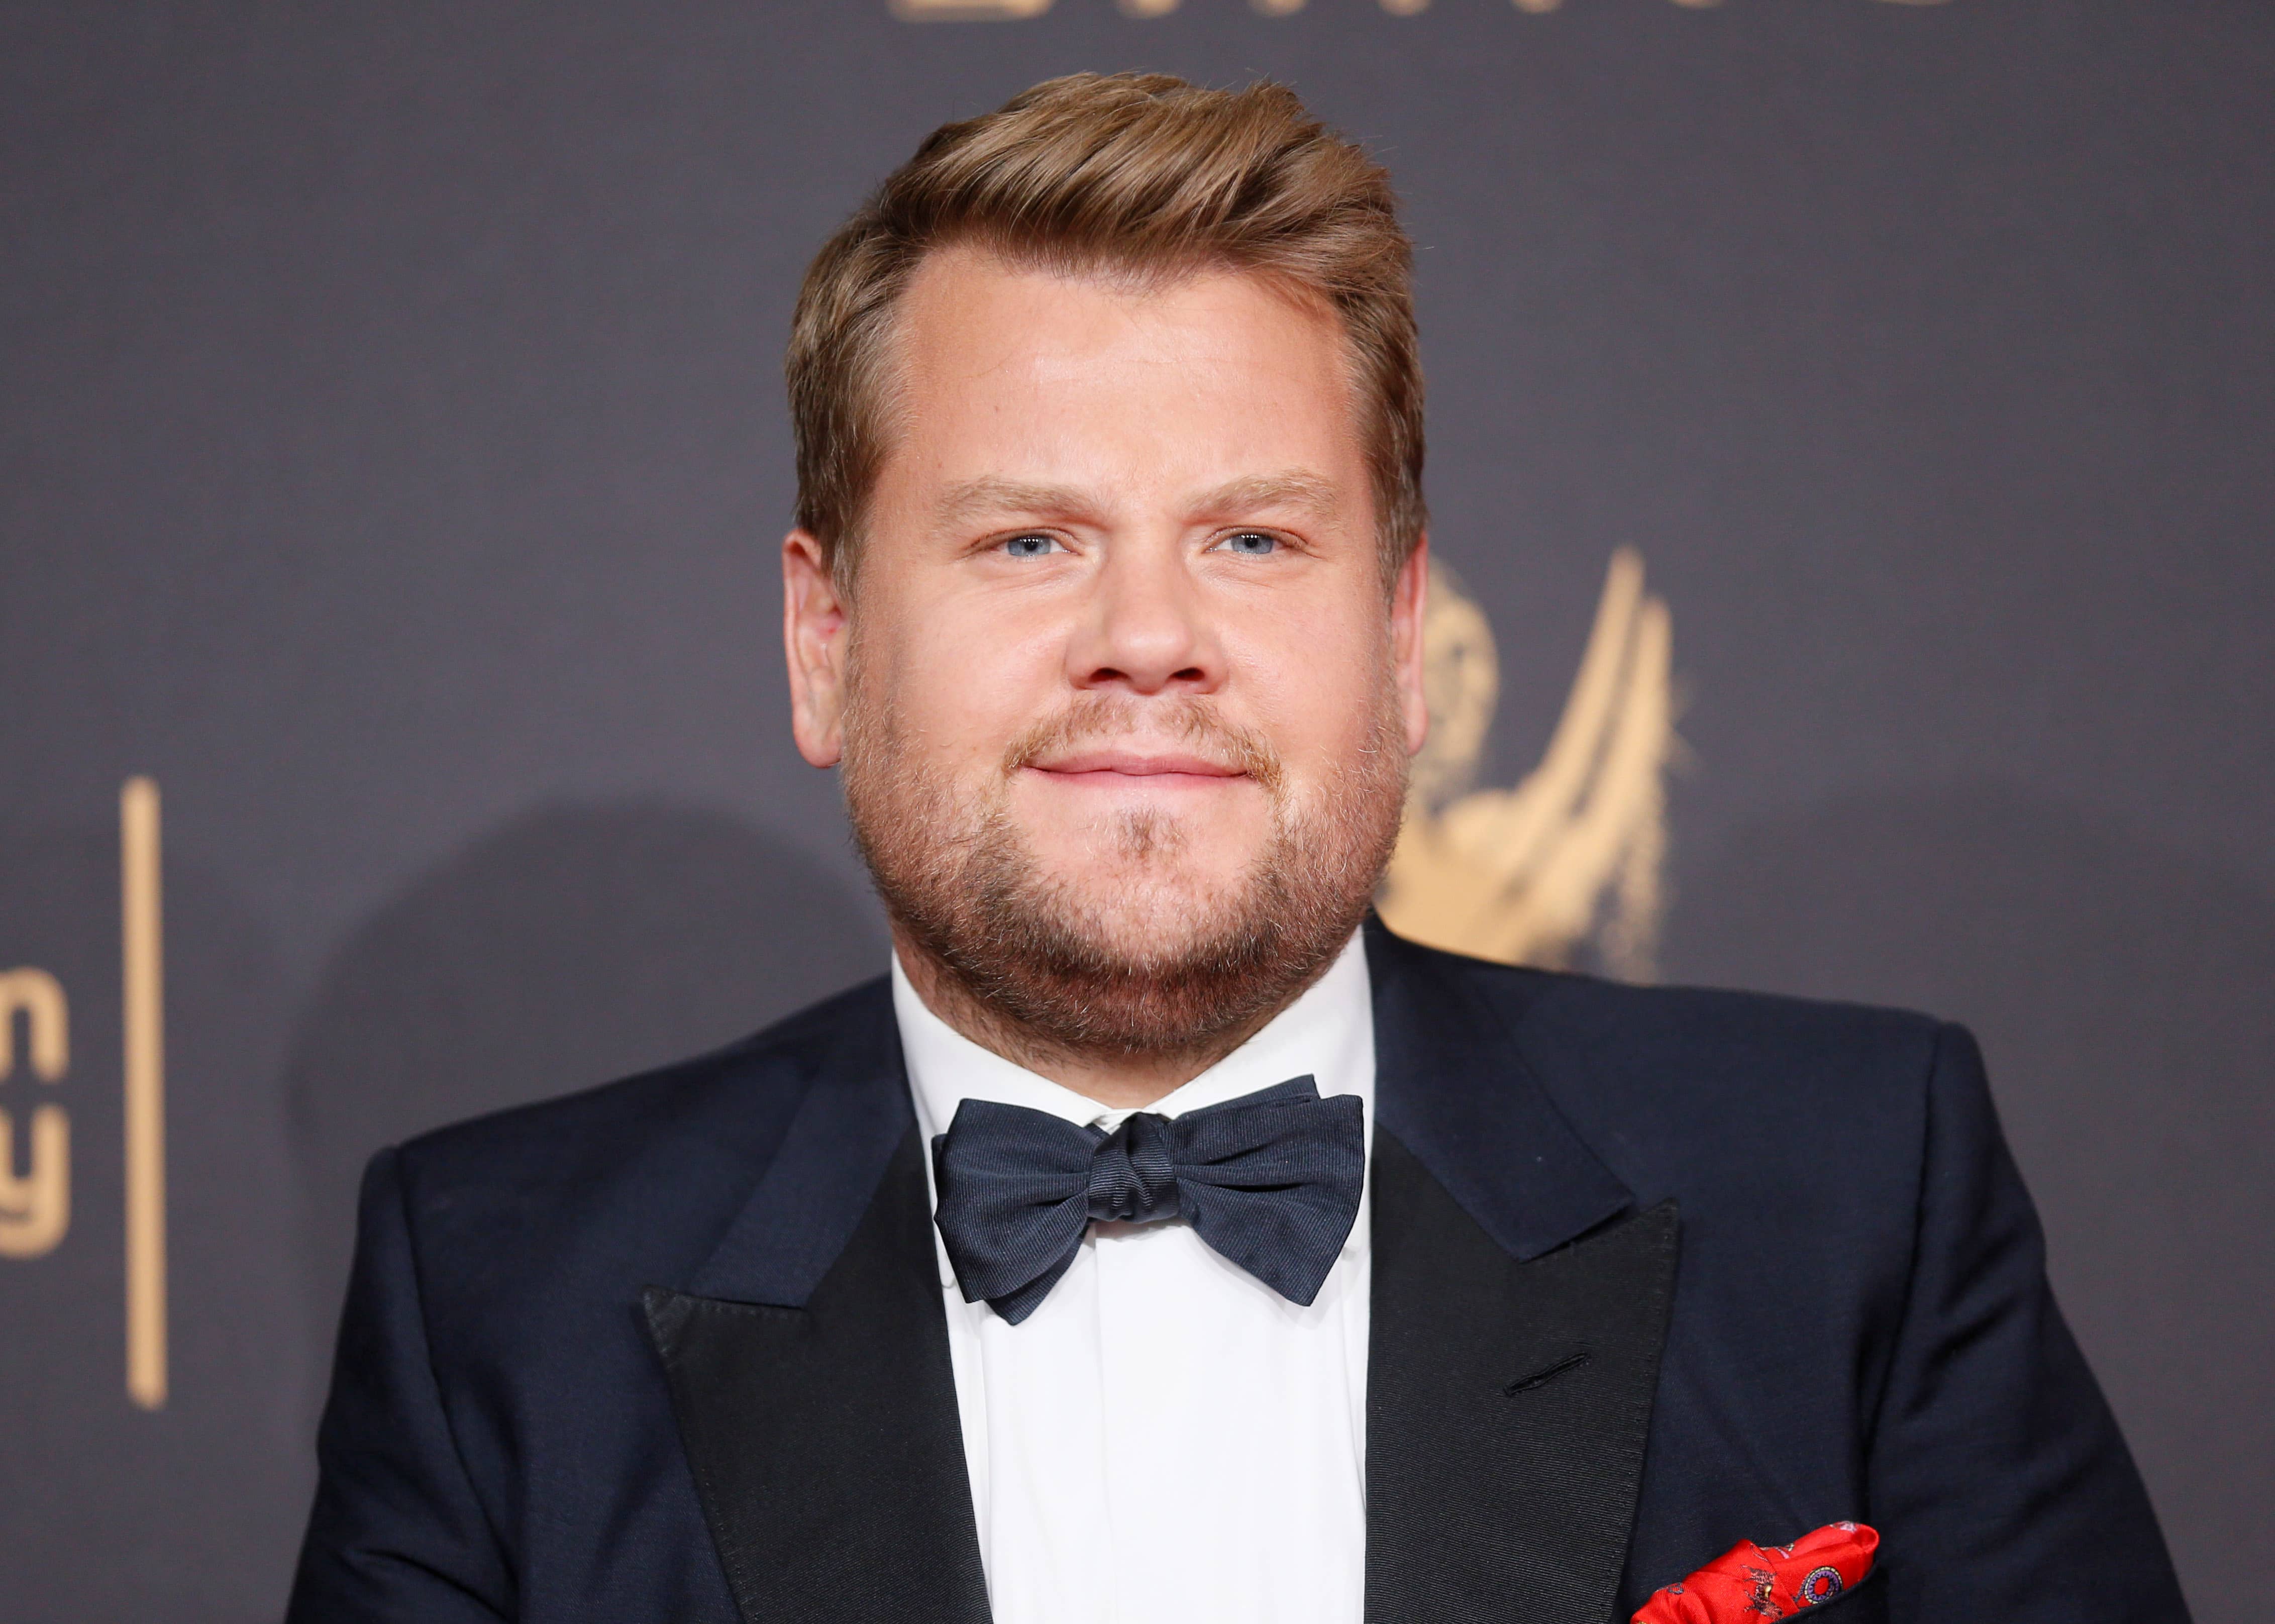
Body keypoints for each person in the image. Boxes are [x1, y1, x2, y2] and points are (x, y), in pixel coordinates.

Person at [287, 73, 2187, 1624]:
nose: (1146, 632)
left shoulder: (1853, 1192)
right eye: (1029, 538)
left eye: (1256, 540)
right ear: (826, 640)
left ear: (1402, 633)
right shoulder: (501, 1303)